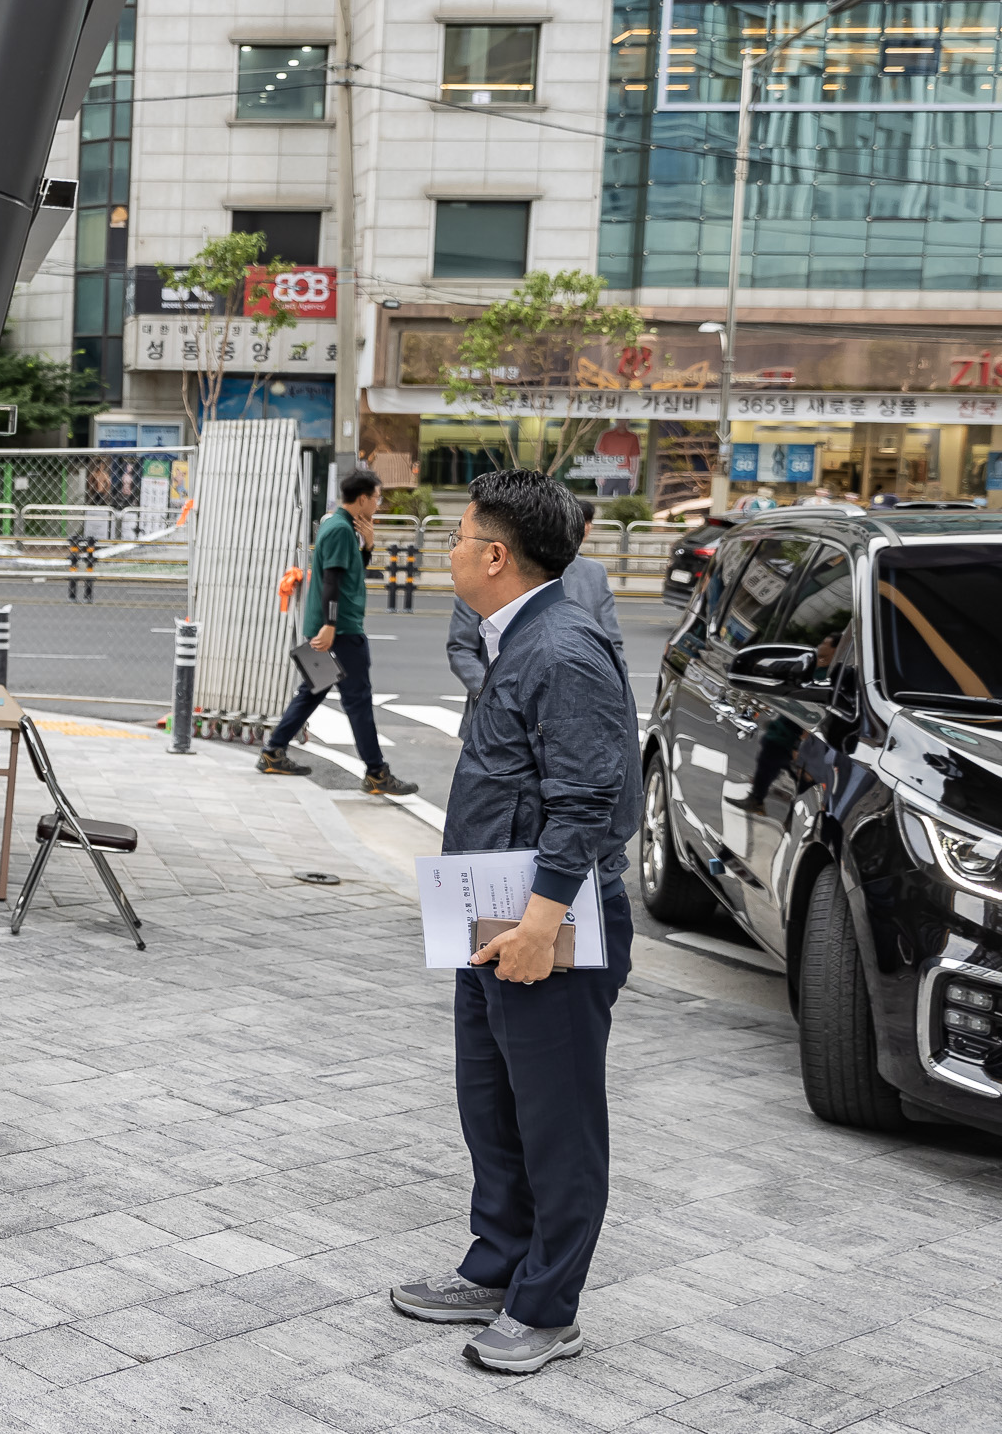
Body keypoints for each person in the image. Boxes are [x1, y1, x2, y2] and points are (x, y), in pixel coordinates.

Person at [388, 469, 638, 1376]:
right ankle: (498, 1261)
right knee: (490, 1102)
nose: (449, 548)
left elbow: (584, 798)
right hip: (489, 900)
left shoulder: (562, 648)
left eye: (459, 535)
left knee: (557, 1117)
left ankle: (547, 1306)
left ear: (496, 556)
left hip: (545, 912)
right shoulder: (515, 637)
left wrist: (540, 920)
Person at [256, 469, 416, 795]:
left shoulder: (334, 523)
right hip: (341, 631)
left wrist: (368, 545)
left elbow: (349, 571)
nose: (378, 502)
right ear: (362, 499)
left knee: (313, 691)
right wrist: (330, 626)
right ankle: (376, 773)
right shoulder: (342, 530)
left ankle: (273, 751)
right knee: (358, 701)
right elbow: (332, 582)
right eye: (377, 497)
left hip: (329, 628)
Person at [447, 495, 622, 699]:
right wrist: (494, 696)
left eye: (460, 539)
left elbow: (611, 646)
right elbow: (461, 647)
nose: (452, 552)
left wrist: (613, 692)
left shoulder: (593, 574)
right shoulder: (479, 580)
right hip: (487, 709)